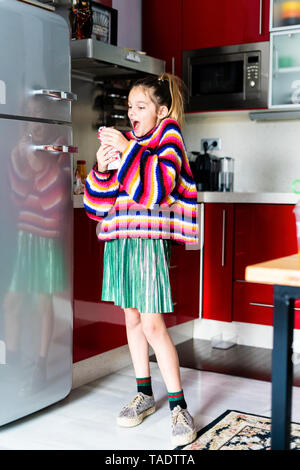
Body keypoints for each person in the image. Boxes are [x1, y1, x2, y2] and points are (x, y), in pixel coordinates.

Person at [84, 73, 198, 447]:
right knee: (131, 318)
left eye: (141, 106)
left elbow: (158, 188)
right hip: (120, 241)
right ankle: (145, 394)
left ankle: (179, 406)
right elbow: (97, 206)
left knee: (152, 325)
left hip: (148, 242)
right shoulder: (129, 144)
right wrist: (101, 169)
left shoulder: (169, 138)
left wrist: (126, 151)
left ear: (161, 110)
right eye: (129, 107)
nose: (131, 113)